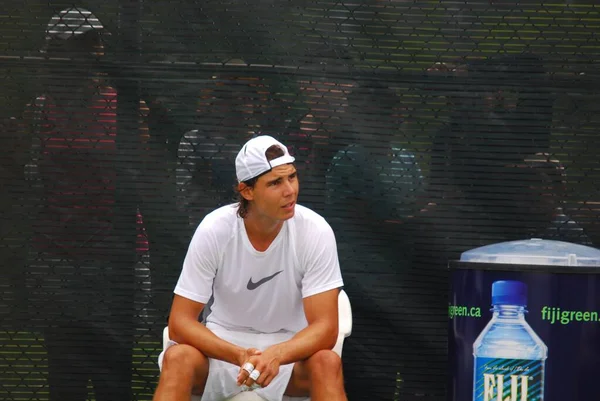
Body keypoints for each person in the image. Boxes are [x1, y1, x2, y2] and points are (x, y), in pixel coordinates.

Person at [153, 135, 347, 401]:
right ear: (247, 191)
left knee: (327, 362)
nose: (290, 190)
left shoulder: (316, 230)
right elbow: (180, 322)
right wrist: (239, 355)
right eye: (275, 182)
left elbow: (326, 328)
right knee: (177, 358)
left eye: (292, 176)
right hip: (223, 352)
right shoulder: (214, 229)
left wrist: (277, 354)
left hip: (287, 355)